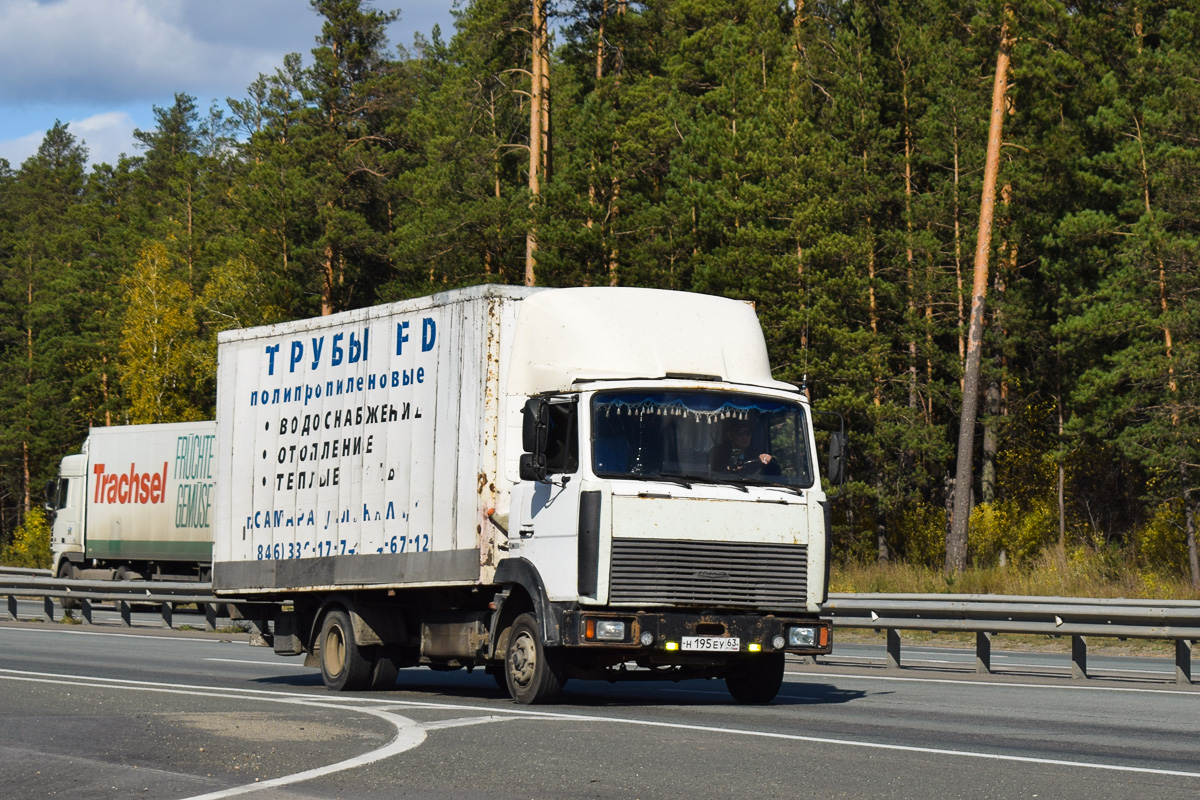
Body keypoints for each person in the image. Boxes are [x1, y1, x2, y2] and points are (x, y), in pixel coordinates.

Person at [709, 420, 780, 476]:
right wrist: (728, 470)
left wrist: (769, 462)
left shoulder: (756, 455)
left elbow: (775, 476)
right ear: (730, 435)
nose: (745, 437)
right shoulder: (718, 454)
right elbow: (711, 477)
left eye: (748, 433)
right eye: (740, 433)